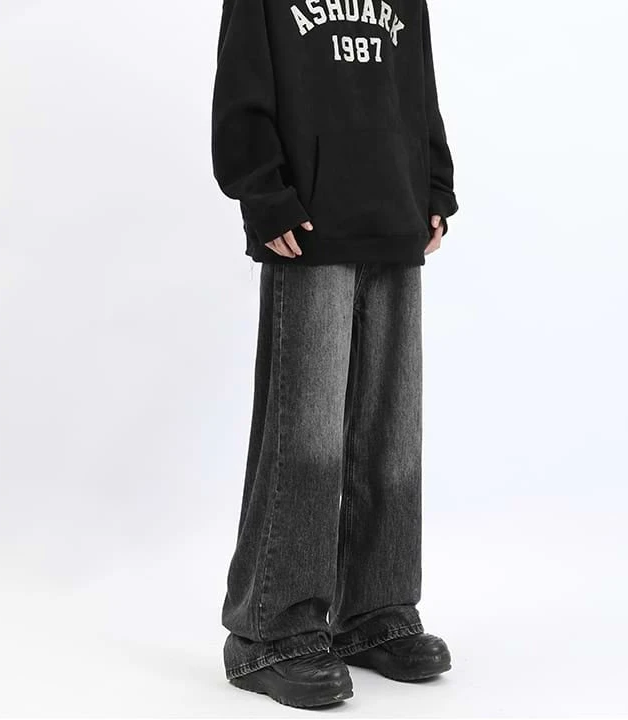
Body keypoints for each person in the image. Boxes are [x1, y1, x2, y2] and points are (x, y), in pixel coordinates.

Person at [211, 0, 458, 708]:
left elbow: (417, 86)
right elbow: (241, 88)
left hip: (395, 214)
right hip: (309, 224)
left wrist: (434, 184)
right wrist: (263, 194)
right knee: (308, 434)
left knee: (391, 431)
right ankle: (270, 630)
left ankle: (376, 612)